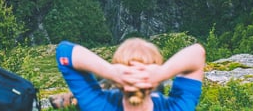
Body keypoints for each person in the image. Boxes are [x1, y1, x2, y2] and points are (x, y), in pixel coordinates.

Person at [56, 38, 205, 111]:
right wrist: (161, 73)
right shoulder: (174, 108)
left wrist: (111, 72)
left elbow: (64, 52)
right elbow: (197, 53)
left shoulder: (98, 105)